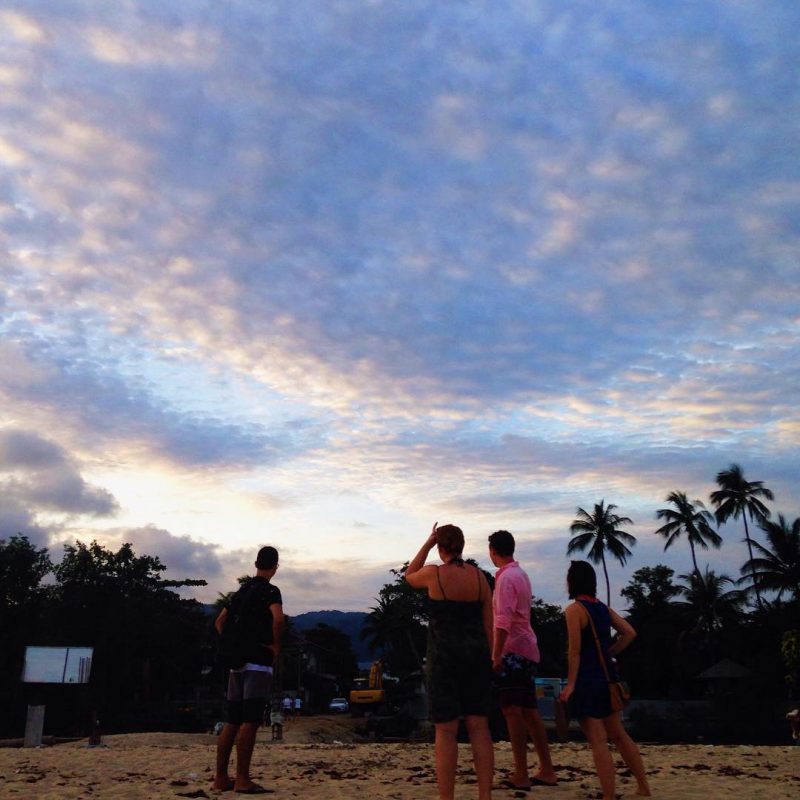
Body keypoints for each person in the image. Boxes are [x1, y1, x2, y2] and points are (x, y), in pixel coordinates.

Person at [406, 523, 494, 800]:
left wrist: (428, 542)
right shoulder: (480, 578)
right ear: (462, 546)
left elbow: (409, 575)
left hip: (444, 658)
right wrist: (493, 659)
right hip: (477, 656)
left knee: (446, 731)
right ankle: (485, 795)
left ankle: (447, 797)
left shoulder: (434, 574)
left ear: (440, 546)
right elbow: (489, 624)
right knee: (479, 727)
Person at [559, 561, 651, 800]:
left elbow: (575, 652)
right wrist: (611, 652)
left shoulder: (574, 610)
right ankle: (643, 786)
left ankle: (609, 795)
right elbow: (630, 632)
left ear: (572, 582)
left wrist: (570, 685)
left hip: (587, 681)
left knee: (598, 741)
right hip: (608, 679)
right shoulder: (601, 608)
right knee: (619, 734)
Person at [488, 530, 557, 789]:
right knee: (529, 711)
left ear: (493, 550)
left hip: (513, 650)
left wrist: (496, 654)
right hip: (528, 648)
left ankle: (521, 773)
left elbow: (503, 621)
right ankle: (546, 769)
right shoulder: (522, 575)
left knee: (512, 711)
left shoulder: (506, 579)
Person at [213, 546, 284, 794]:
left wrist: (232, 644)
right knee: (250, 720)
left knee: (231, 720)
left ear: (256, 563)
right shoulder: (270, 591)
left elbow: (219, 622)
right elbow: (277, 618)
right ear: (275, 566)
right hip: (257, 661)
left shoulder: (241, 592)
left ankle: (221, 778)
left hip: (236, 662)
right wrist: (275, 646)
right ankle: (242, 778)